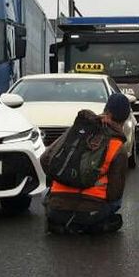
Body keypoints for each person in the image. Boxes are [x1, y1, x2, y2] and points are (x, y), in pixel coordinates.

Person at [40, 93, 131, 234]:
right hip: (91, 211)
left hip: (56, 207)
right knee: (117, 201)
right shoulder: (118, 147)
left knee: (46, 192)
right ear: (125, 119)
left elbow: (45, 159)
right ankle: (90, 224)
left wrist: (60, 180)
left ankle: (63, 221)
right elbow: (114, 194)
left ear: (106, 111)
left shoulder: (76, 131)